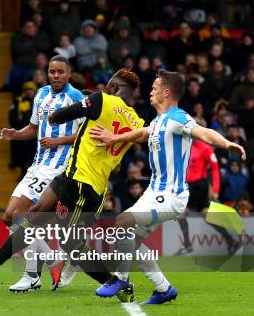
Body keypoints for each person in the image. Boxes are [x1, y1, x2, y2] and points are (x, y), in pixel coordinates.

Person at [0, 68, 145, 301]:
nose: (105, 88)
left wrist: (59, 115)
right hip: (74, 176)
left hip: (84, 184)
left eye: (109, 85)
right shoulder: (137, 122)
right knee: (34, 214)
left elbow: (59, 116)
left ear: (115, 88)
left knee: (72, 245)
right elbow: (121, 160)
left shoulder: (100, 100)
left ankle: (114, 283)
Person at [91, 70, 246, 304]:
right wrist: (115, 138)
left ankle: (121, 278)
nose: (150, 91)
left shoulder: (178, 117)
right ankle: (163, 289)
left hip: (171, 195)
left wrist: (226, 143)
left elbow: (202, 132)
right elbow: (144, 133)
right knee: (131, 240)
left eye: (154, 88)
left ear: (166, 92)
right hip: (154, 192)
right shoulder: (158, 121)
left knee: (122, 221)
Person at [0, 56, 84, 292]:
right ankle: (51, 260)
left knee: (20, 215)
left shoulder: (76, 98)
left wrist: (58, 141)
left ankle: (31, 275)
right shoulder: (41, 94)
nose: (55, 75)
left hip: (57, 167)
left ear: (68, 73)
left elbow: (86, 134)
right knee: (9, 216)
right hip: (37, 164)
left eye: (60, 72)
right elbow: (34, 129)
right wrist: (15, 134)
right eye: (51, 71)